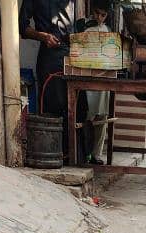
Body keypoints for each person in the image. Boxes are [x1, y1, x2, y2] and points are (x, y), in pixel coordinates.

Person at [19, 0, 86, 159]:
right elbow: (22, 26)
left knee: (78, 107)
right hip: (50, 55)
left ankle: (76, 157)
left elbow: (78, 25)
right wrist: (42, 36)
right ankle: (51, 155)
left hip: (72, 55)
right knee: (52, 107)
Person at [81, 0, 111, 165]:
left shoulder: (107, 30)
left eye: (103, 15)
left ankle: (96, 154)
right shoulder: (82, 26)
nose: (99, 17)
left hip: (103, 77)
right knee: (86, 116)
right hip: (86, 75)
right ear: (92, 11)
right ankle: (83, 153)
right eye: (97, 13)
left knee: (102, 117)